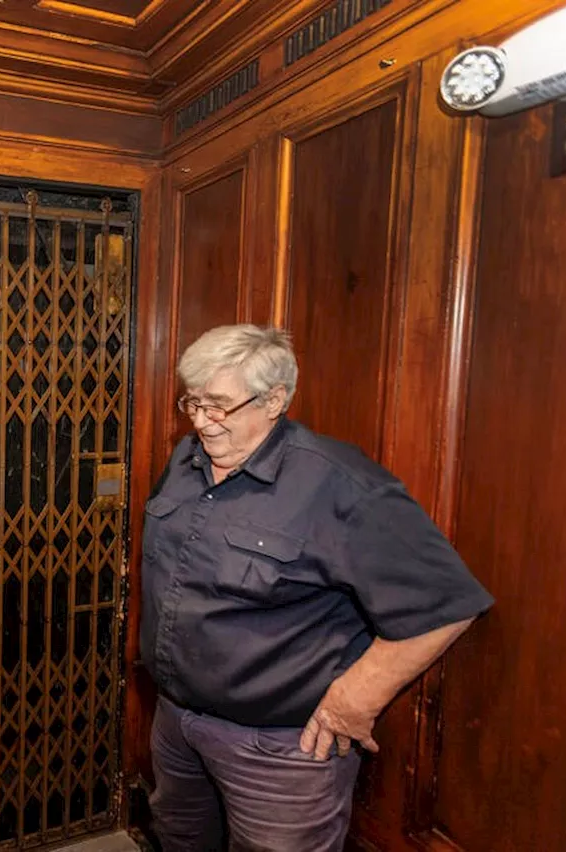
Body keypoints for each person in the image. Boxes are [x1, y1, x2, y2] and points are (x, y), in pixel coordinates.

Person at [141, 324, 493, 852]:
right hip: (176, 724)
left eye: (219, 406)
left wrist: (356, 697)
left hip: (277, 751)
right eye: (192, 402)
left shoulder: (341, 485)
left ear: (275, 399)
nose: (200, 422)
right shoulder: (186, 461)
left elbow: (446, 604)